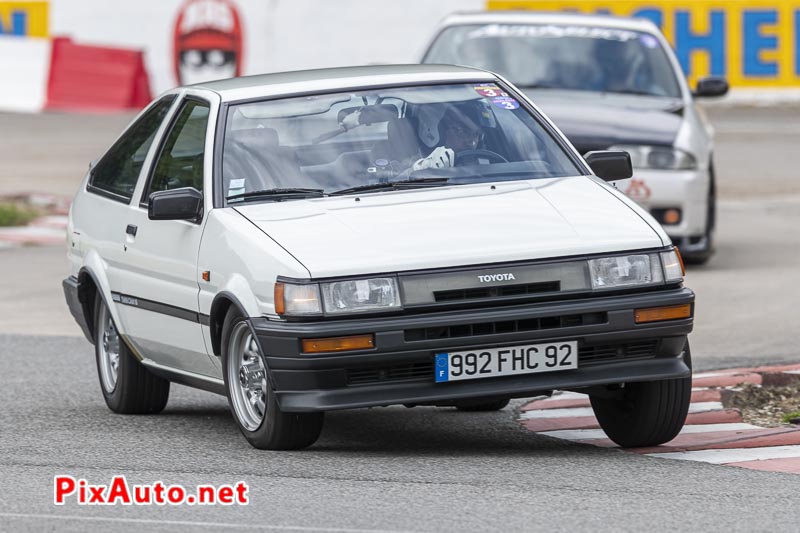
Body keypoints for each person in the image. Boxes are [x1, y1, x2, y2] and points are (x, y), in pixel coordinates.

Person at [411, 107, 483, 170]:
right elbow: (402, 176)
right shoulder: (415, 162)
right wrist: (422, 167)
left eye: (476, 134)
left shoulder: (486, 164)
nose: (472, 141)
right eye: (462, 132)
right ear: (438, 132)